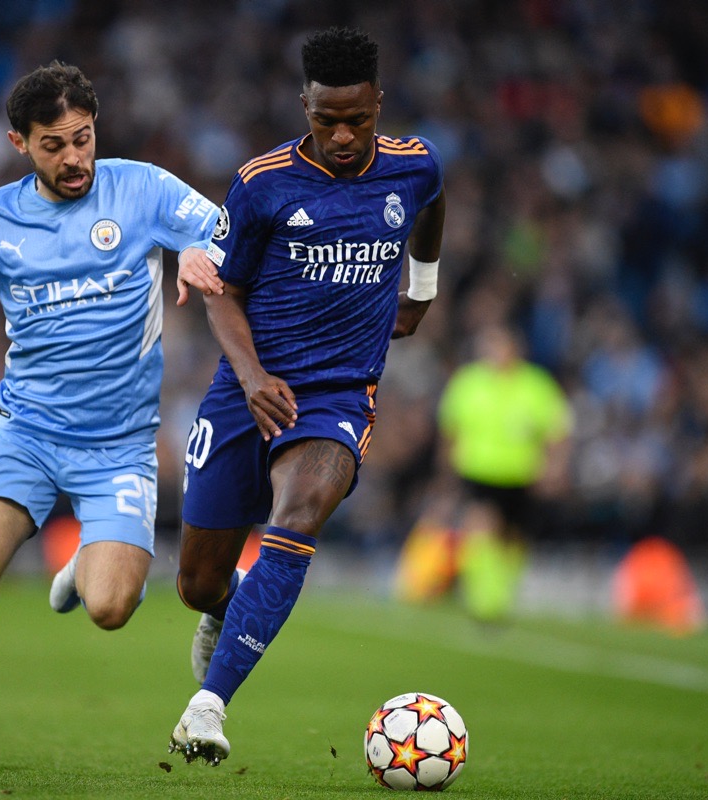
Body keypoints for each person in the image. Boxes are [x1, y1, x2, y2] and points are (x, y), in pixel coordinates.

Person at [0, 61, 222, 769]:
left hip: (120, 447)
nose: (74, 157)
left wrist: (196, 250)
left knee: (109, 609)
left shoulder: (142, 187)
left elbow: (219, 227)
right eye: (53, 144)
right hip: (28, 436)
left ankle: (83, 567)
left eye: (83, 138)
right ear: (19, 143)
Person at [167, 26, 447, 766]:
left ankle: (208, 707)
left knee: (297, 517)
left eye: (359, 118)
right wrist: (254, 378)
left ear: (378, 103)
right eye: (328, 121)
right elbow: (218, 289)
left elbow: (434, 203)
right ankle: (226, 610)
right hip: (247, 389)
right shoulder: (262, 182)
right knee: (196, 584)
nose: (345, 135)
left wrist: (422, 287)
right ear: (305, 107)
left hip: (337, 397)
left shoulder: (413, 169)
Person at [436, 323, 572, 622]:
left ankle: (502, 592)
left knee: (513, 539)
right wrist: (446, 475)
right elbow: (450, 431)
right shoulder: (468, 383)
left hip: (521, 474)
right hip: (478, 469)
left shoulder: (536, 385)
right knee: (479, 528)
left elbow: (557, 431)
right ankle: (485, 600)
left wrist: (554, 468)